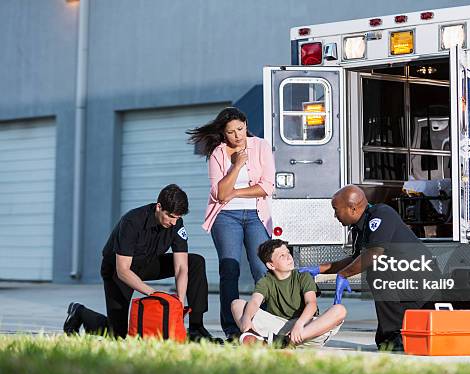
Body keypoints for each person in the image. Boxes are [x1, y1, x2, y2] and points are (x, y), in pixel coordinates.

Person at [63, 184, 222, 343]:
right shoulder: (132, 221)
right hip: (118, 271)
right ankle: (80, 313)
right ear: (159, 207)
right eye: (171, 216)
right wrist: (154, 294)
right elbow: (123, 270)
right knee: (118, 334)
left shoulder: (176, 224)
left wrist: (179, 303)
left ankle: (196, 328)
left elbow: (181, 267)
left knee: (195, 261)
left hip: (148, 264)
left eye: (178, 218)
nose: (174, 222)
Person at [299, 185, 433, 351]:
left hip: (420, 279)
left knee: (379, 272)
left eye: (336, 210)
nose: (335, 215)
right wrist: (320, 269)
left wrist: (343, 275)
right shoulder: (359, 227)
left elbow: (374, 253)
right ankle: (394, 333)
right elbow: (357, 258)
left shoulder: (382, 214)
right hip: (403, 279)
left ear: (353, 208)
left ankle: (398, 334)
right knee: (384, 342)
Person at [187, 107, 275, 340]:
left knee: (262, 270)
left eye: (240, 129)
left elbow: (266, 187)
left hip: (256, 215)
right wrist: (236, 165)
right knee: (229, 271)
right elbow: (219, 195)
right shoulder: (218, 153)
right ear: (223, 134)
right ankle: (233, 330)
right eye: (231, 132)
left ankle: (264, 325)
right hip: (226, 218)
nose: (237, 135)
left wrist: (235, 193)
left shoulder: (262, 146)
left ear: (246, 125)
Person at [231, 239, 346, 347]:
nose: (289, 257)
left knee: (339, 310)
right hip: (278, 329)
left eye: (288, 252)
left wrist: (299, 324)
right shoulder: (266, 281)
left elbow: (311, 303)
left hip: (306, 330)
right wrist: (246, 319)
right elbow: (255, 302)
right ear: (271, 265)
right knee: (237, 304)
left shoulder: (303, 276)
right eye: (282, 255)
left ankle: (285, 342)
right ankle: (257, 338)